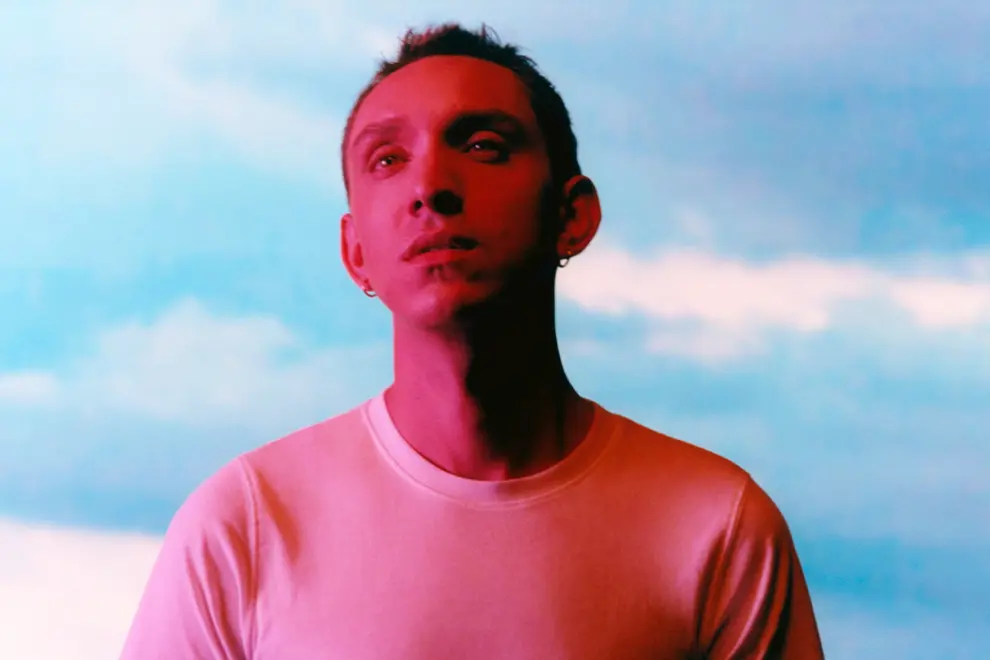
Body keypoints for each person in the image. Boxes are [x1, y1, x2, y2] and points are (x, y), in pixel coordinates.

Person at [121, 23, 824, 659]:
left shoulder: (718, 527)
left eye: (484, 146)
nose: (430, 186)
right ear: (355, 252)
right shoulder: (244, 526)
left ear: (571, 216)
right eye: (388, 160)